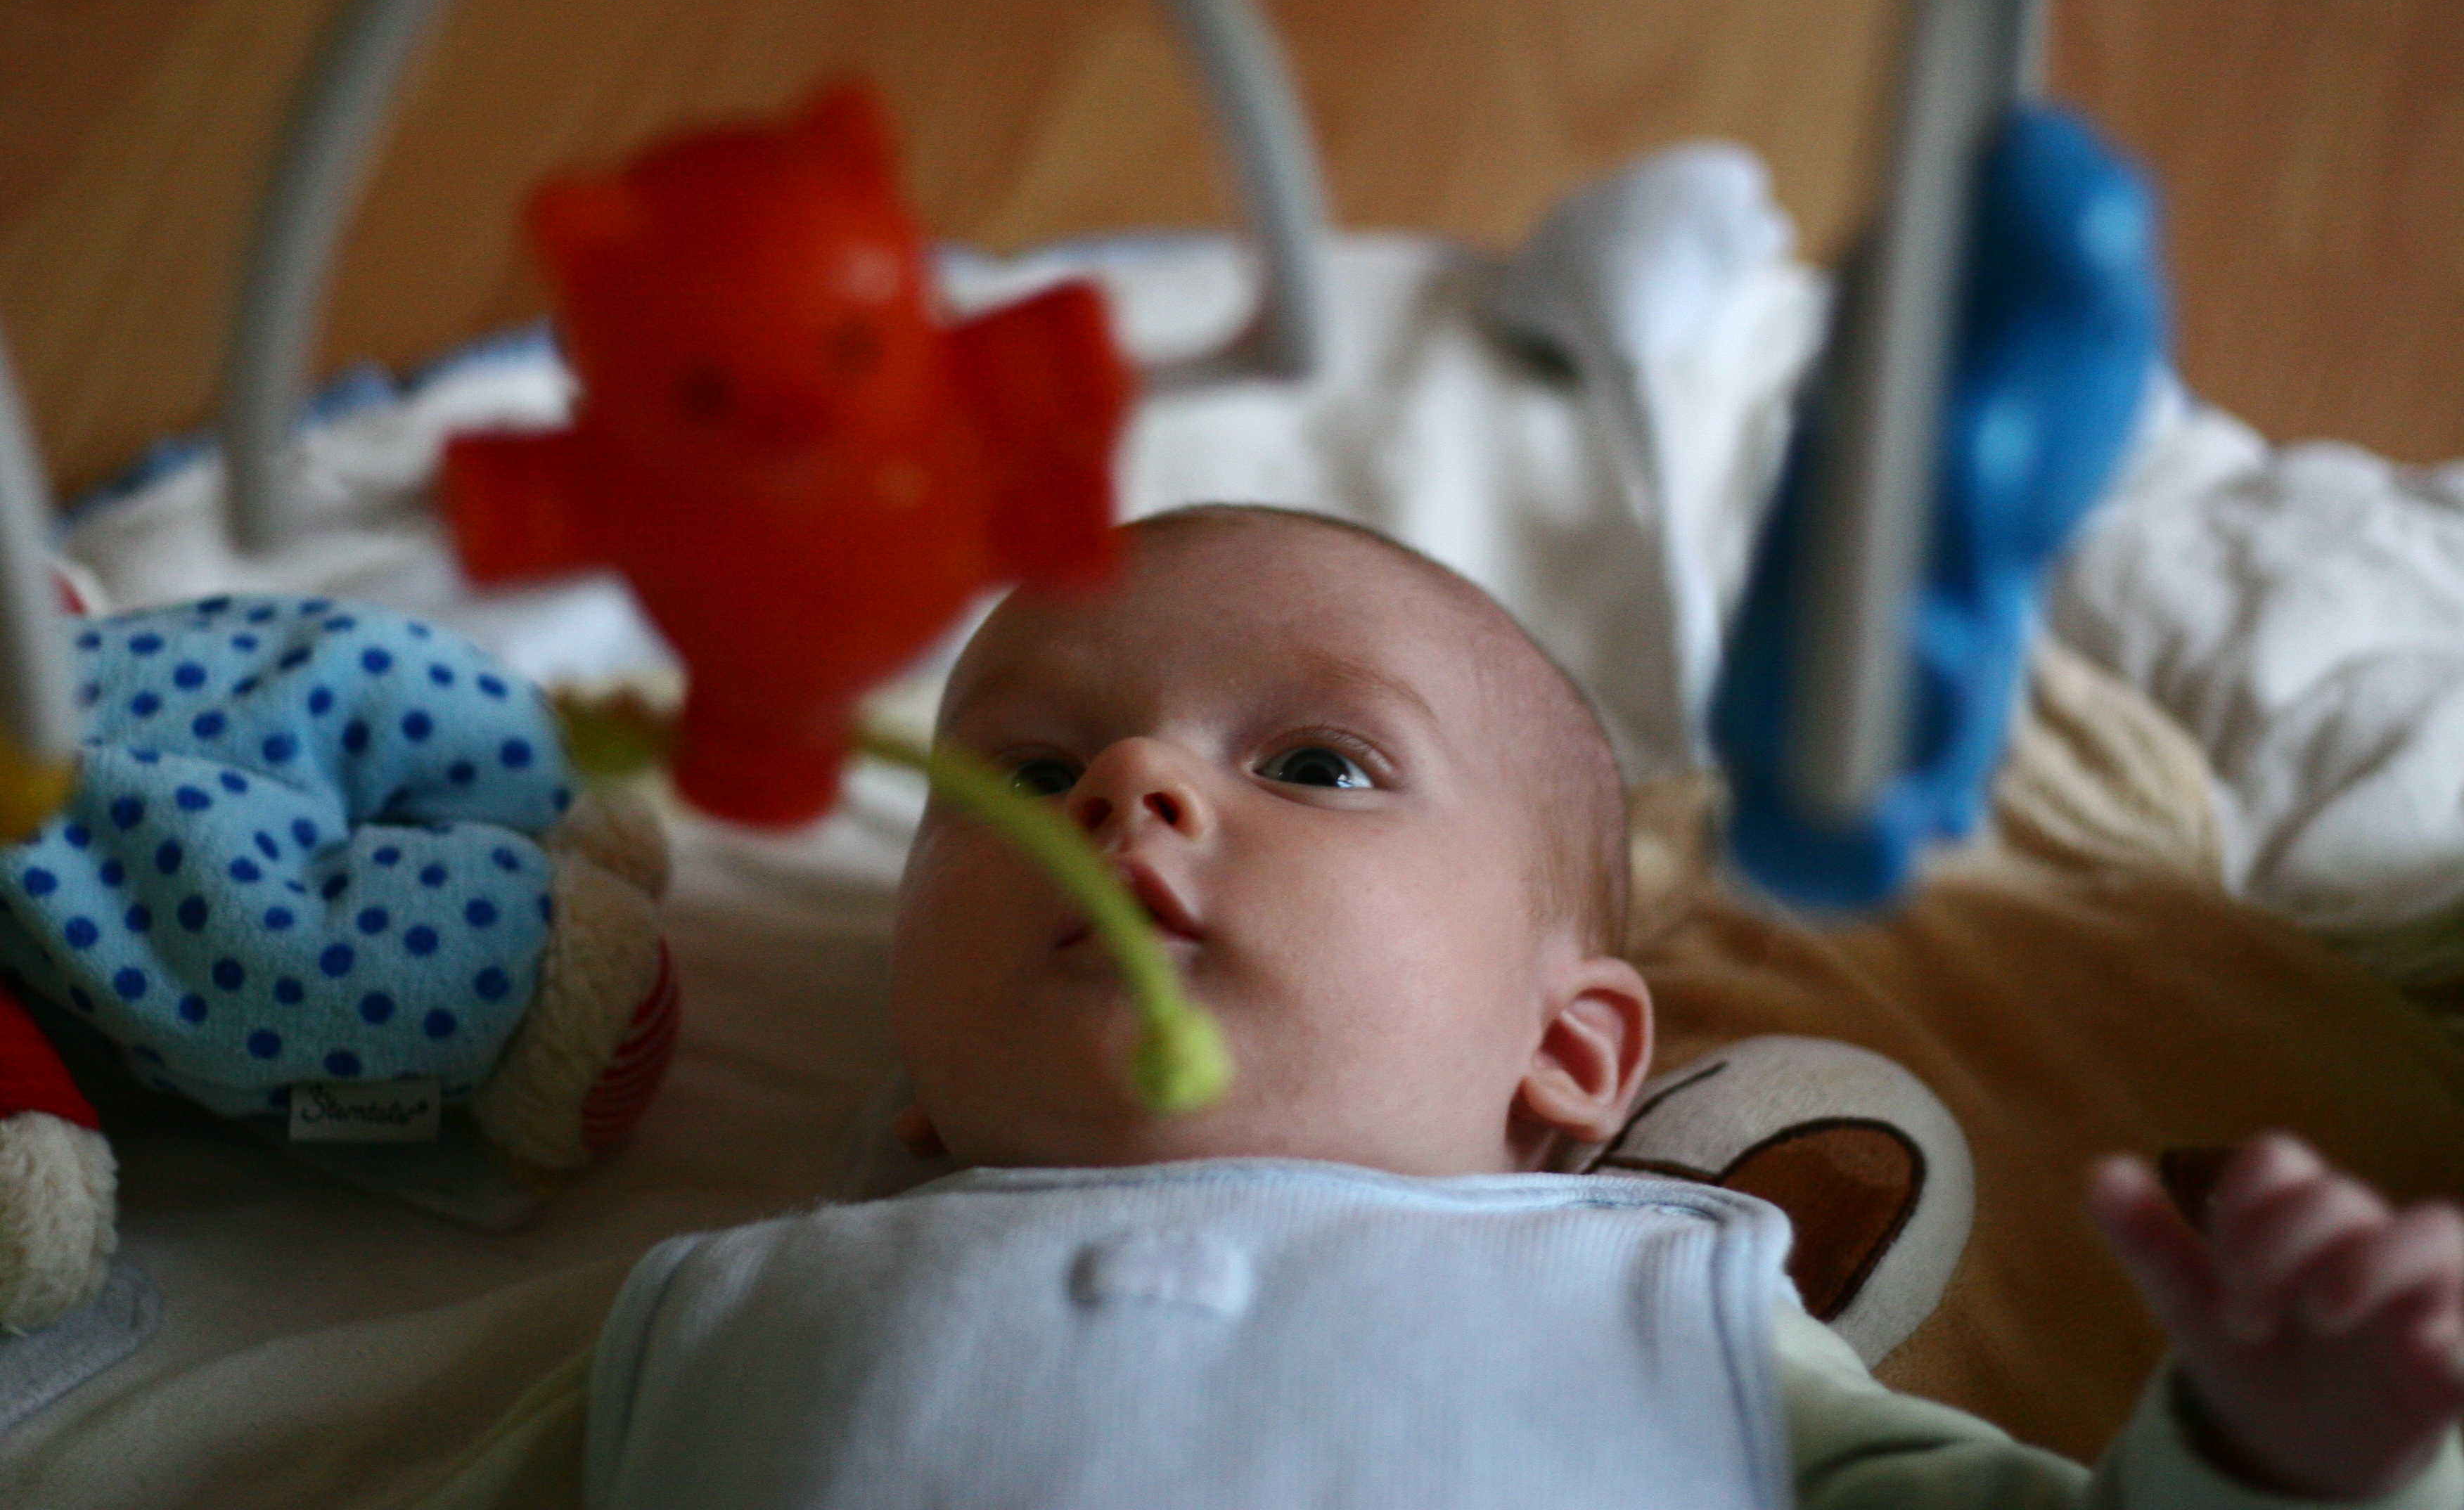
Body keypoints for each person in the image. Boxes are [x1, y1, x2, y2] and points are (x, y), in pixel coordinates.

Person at [585, 505, 2464, 1509]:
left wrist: (2273, 1460)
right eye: (1028, 776)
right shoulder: (717, 1317)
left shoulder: (1666, 1312)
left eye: (1317, 766)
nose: (1129, 788)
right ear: (916, 1070)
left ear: (1568, 1053)